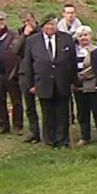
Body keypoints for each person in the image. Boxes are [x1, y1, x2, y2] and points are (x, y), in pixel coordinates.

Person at [23, 14, 77, 148]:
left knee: (63, 113)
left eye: (52, 24)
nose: (50, 27)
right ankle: (50, 140)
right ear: (42, 26)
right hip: (43, 82)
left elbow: (72, 62)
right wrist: (30, 84)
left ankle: (63, 140)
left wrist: (73, 81)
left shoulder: (66, 38)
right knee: (47, 112)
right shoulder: (32, 40)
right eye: (47, 24)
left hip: (62, 82)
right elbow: (28, 64)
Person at [72, 25, 97, 146]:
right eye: (80, 36)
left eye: (85, 35)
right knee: (82, 113)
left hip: (92, 85)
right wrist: (73, 79)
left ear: (90, 36)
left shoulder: (95, 50)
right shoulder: (74, 50)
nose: (83, 38)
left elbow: (94, 68)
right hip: (78, 87)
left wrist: (80, 77)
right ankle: (85, 136)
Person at [11, 10, 41, 143]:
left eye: (28, 20)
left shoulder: (42, 31)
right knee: (29, 105)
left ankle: (47, 131)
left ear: (34, 19)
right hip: (25, 72)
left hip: (40, 71)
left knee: (45, 103)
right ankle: (34, 132)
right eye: (23, 22)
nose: (26, 24)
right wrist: (24, 35)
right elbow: (15, 50)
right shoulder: (20, 33)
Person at [0, 11, 22, 135]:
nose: (0, 23)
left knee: (16, 100)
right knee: (0, 100)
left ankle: (18, 126)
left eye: (1, 20)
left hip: (12, 73)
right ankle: (3, 125)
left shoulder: (13, 35)